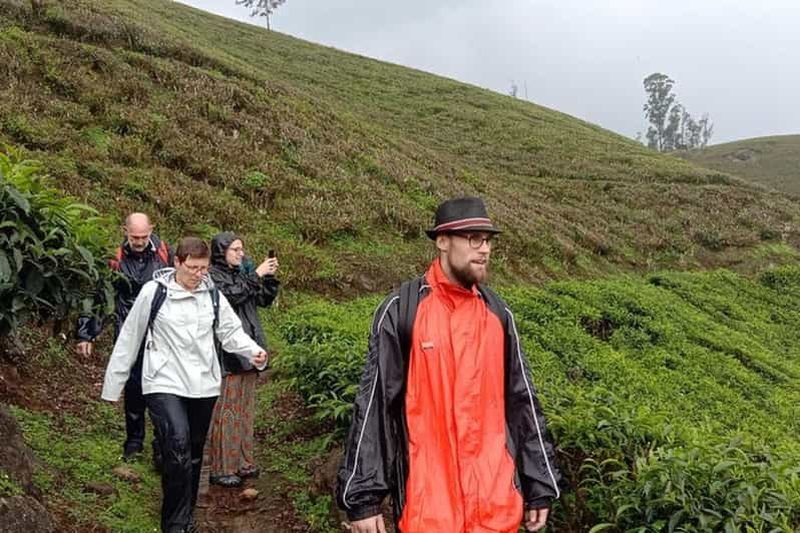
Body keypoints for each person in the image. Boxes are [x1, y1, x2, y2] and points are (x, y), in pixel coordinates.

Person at [335, 197, 563, 533]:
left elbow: (522, 401)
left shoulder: (498, 314)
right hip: (429, 513)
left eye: (488, 240)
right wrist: (364, 498)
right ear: (442, 241)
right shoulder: (402, 311)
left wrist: (539, 484)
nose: (484, 249)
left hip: (495, 508)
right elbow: (375, 405)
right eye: (473, 238)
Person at [101, 237, 268, 533]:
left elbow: (230, 332)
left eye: (203, 268)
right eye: (192, 268)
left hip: (203, 384)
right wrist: (113, 386)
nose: (198, 274)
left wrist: (253, 351)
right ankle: (174, 525)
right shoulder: (155, 292)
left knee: (192, 453)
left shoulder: (211, 294)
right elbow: (130, 337)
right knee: (176, 445)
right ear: (177, 263)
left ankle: (186, 515)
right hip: (163, 381)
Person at [76, 212, 172, 462]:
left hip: (161, 330)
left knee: (163, 386)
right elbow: (100, 296)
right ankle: (134, 441)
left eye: (144, 236)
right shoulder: (115, 259)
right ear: (125, 231)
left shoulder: (165, 254)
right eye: (134, 237)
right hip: (128, 328)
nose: (139, 241)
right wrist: (86, 333)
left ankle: (161, 443)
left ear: (151, 230)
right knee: (134, 387)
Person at [206, 232, 280, 488]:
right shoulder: (212, 276)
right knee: (227, 412)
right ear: (221, 251)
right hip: (227, 353)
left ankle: (243, 462)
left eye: (242, 249)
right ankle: (222, 467)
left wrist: (268, 279)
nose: (241, 253)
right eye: (235, 249)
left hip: (250, 348)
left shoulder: (241, 274)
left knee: (246, 410)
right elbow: (231, 296)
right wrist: (256, 274)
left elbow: (263, 299)